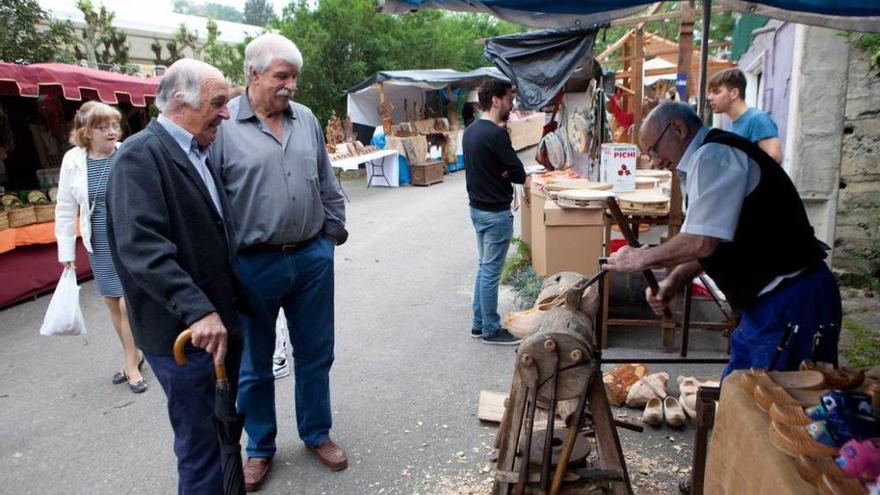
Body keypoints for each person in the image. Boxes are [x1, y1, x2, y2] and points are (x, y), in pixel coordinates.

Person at [605, 102, 841, 378]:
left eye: (655, 150)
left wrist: (638, 257)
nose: (655, 161)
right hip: (770, 302)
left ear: (678, 128)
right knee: (745, 401)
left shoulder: (713, 156)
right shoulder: (707, 159)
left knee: (779, 410)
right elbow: (718, 239)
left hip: (792, 300)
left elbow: (702, 241)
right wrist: (675, 279)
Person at [210, 33, 348, 490]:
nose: (290, 85)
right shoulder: (223, 125)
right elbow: (209, 201)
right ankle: (260, 447)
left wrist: (330, 236)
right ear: (253, 74)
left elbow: (327, 183)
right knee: (252, 363)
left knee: (316, 353)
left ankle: (316, 434)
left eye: (295, 77)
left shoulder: (305, 119)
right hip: (252, 265)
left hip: (310, 257)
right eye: (281, 76)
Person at [106, 58, 247, 494]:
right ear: (180, 102)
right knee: (201, 448)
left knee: (224, 434)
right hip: (185, 336)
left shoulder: (198, 150)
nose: (226, 112)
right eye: (218, 102)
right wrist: (198, 310)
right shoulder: (139, 157)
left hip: (216, 328)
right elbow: (142, 250)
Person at [55, 101, 146, 393]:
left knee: (126, 301)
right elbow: (66, 207)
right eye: (102, 126)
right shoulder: (73, 160)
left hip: (127, 237)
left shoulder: (127, 153)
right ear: (86, 131)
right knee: (111, 301)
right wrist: (66, 253)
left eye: (114, 125)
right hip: (97, 239)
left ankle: (131, 361)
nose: (111, 131)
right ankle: (133, 353)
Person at [462, 79, 527, 346]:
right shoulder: (496, 135)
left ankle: (479, 324)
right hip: (496, 214)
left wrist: (503, 171)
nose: (512, 104)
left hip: (477, 209)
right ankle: (489, 327)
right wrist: (505, 172)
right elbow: (520, 174)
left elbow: (488, 169)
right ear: (496, 100)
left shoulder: (470, 132)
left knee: (483, 268)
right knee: (490, 272)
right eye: (510, 98)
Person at [707, 68, 783, 163]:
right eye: (709, 93)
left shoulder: (758, 119)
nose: (709, 97)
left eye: (716, 92)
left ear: (734, 93)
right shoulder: (731, 126)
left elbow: (774, 158)